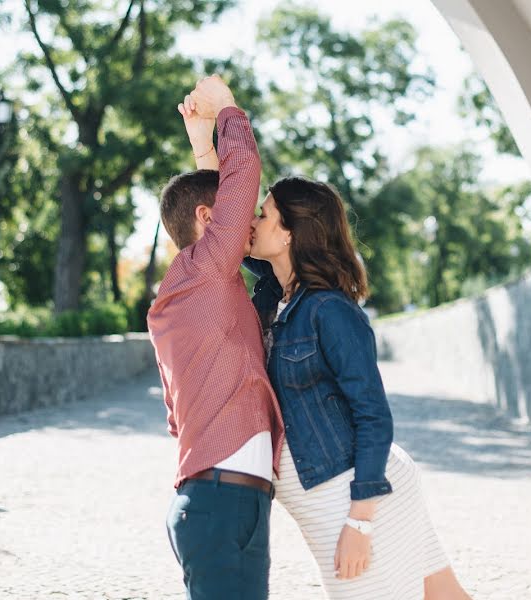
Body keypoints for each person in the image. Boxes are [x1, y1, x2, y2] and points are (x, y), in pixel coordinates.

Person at [243, 178, 473, 600]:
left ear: (290, 232)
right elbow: (226, 230)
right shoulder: (277, 296)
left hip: (356, 498)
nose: (251, 221)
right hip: (340, 492)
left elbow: (373, 415)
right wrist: (205, 144)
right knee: (445, 596)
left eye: (264, 214)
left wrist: (360, 523)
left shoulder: (329, 311)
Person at [147, 75, 284, 600]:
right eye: (236, 216)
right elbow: (242, 175)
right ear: (209, 219)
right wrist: (228, 110)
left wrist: (203, 147)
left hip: (221, 503)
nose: (248, 223)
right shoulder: (204, 276)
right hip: (222, 506)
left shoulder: (193, 287)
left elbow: (221, 200)